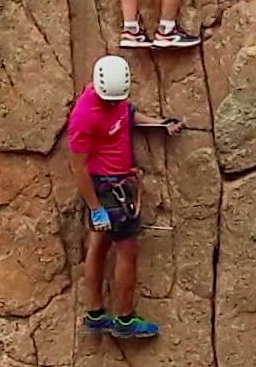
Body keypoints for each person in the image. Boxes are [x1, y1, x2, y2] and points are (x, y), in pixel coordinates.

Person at [67, 54, 176, 340]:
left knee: (100, 244)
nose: (114, 105)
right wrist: (96, 208)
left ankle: (95, 314)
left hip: (113, 185)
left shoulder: (113, 99)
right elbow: (78, 166)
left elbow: (126, 114)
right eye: (110, 101)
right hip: (106, 189)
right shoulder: (84, 115)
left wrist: (159, 123)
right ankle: (124, 319)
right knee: (127, 252)